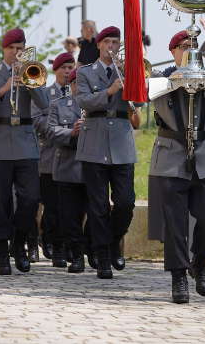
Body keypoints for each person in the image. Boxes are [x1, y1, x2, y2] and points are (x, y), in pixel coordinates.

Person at [150, 30, 205, 304]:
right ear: (173, 51)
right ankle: (178, 276)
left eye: (193, 46)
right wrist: (177, 81)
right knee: (175, 222)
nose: (189, 50)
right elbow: (139, 91)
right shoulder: (161, 78)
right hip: (171, 156)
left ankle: (200, 263)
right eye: (183, 46)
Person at [0, 28, 49, 275]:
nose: (17, 53)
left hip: (26, 143)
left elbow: (45, 104)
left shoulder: (33, 70)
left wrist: (30, 83)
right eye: (12, 49)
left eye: (21, 49)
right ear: (4, 49)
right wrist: (5, 87)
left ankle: (19, 243)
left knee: (29, 199)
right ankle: (1, 251)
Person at [75, 26, 139, 280]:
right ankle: (102, 256)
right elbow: (84, 101)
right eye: (108, 42)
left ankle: (112, 241)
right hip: (95, 140)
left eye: (116, 42)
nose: (112, 46)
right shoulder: (86, 72)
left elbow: (141, 102)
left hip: (122, 140)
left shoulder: (128, 70)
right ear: (99, 45)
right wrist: (110, 91)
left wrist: (131, 77)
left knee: (125, 202)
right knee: (98, 205)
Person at [34, 51, 75, 267]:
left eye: (71, 67)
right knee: (52, 206)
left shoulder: (78, 92)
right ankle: (51, 241)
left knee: (69, 206)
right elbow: (36, 120)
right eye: (64, 68)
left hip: (71, 156)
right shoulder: (45, 93)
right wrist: (58, 126)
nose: (68, 72)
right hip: (50, 156)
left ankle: (66, 245)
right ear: (55, 70)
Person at [47, 68, 86, 273]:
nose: (81, 87)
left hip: (91, 166)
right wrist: (72, 132)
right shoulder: (58, 105)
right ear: (71, 86)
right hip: (67, 166)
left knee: (96, 212)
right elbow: (52, 131)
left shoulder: (96, 105)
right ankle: (76, 255)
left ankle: (94, 250)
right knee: (69, 215)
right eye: (77, 83)